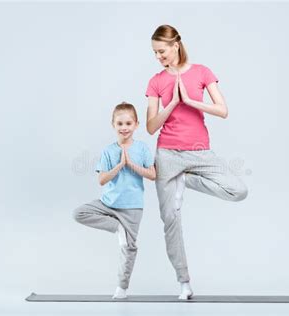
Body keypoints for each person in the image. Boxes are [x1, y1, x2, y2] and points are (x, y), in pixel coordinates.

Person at [145, 25, 249, 299]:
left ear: (176, 45)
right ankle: (184, 282)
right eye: (155, 53)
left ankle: (186, 180)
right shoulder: (156, 80)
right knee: (170, 220)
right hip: (167, 153)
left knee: (238, 190)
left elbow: (223, 111)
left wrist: (190, 101)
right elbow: (151, 127)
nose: (158, 57)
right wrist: (172, 104)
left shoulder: (202, 72)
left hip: (199, 151)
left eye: (162, 51)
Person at [73, 102, 156, 299]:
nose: (124, 127)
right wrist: (119, 165)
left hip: (132, 207)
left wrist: (131, 164)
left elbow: (152, 175)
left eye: (128, 123)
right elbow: (101, 180)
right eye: (120, 124)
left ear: (136, 124)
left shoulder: (142, 148)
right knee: (79, 213)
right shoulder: (109, 151)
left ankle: (122, 289)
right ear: (113, 125)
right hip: (108, 204)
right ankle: (117, 227)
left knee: (129, 248)